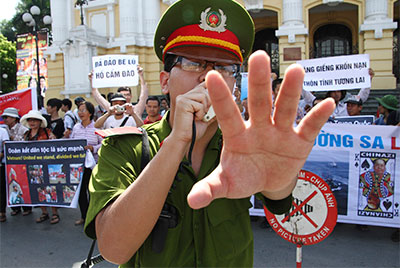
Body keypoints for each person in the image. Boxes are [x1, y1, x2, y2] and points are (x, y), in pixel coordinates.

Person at [84, 0, 334, 266]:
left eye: (224, 68)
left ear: (234, 84)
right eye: (193, 63)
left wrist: (279, 178)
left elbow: (278, 197)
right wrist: (177, 142)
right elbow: (114, 249)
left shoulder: (241, 145)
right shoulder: (126, 146)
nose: (209, 77)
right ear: (166, 81)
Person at [20, 110, 59, 224]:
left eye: (34, 120)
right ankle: (44, 212)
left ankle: (55, 213)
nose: (32, 122)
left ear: (39, 121)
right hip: (32, 166)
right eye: (30, 120)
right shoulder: (26, 134)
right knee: (38, 189)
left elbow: (54, 144)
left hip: (46, 165)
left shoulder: (47, 132)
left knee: (50, 189)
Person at [70, 101, 102, 225]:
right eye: (79, 110)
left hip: (94, 164)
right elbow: (71, 142)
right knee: (81, 192)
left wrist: (92, 148)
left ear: (90, 112)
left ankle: (95, 217)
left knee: (92, 191)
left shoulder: (97, 126)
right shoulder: (76, 127)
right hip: (79, 165)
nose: (80, 113)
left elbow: (103, 143)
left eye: (83, 110)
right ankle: (85, 216)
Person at [1, 108, 31, 216]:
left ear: (14, 118)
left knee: (22, 183)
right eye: (4, 117)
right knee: (10, 183)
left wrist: (11, 138)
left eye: (7, 117)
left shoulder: (23, 129)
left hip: (20, 160)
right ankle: (15, 207)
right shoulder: (5, 129)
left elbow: (24, 143)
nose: (5, 119)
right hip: (8, 161)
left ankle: (26, 207)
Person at [0, 127, 9, 222]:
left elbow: (5, 147)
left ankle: (2, 211)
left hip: (1, 163)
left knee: (1, 188)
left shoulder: (2, 131)